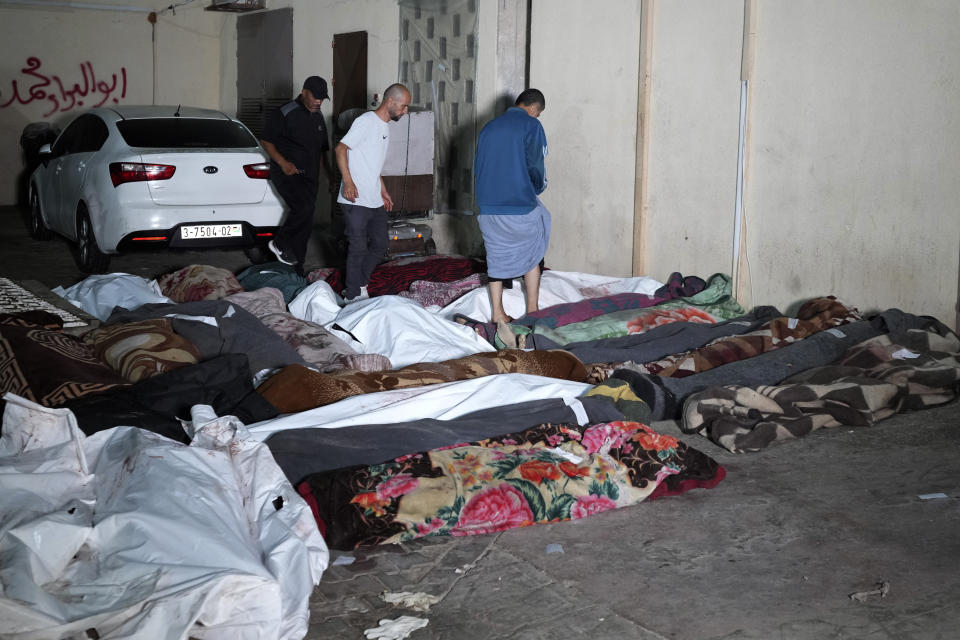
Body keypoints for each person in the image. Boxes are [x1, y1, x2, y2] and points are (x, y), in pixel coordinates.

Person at [474, 88, 550, 323]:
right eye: (538, 114)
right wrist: (537, 188)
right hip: (518, 203)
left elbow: (479, 166)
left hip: (487, 207)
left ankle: (497, 313)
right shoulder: (531, 125)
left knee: (496, 256)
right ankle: (533, 309)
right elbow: (536, 165)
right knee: (536, 242)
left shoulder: (489, 127)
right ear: (534, 109)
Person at [336, 83, 411, 301]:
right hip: (355, 199)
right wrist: (348, 182)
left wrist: (383, 190)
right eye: (404, 106)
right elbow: (341, 149)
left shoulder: (384, 127)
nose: (405, 111)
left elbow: (372, 164)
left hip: (373, 198)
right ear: (390, 102)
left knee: (380, 244)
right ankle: (352, 294)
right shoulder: (366, 122)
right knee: (358, 246)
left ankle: (359, 284)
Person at [260, 76, 334, 273]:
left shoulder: (318, 117)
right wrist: (283, 163)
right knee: (303, 207)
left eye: (322, 99)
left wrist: (328, 174)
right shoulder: (285, 113)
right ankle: (280, 243)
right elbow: (266, 141)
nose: (318, 102)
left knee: (306, 220)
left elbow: (322, 150)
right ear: (304, 92)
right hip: (287, 173)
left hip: (311, 176)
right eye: (315, 97)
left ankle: (297, 264)